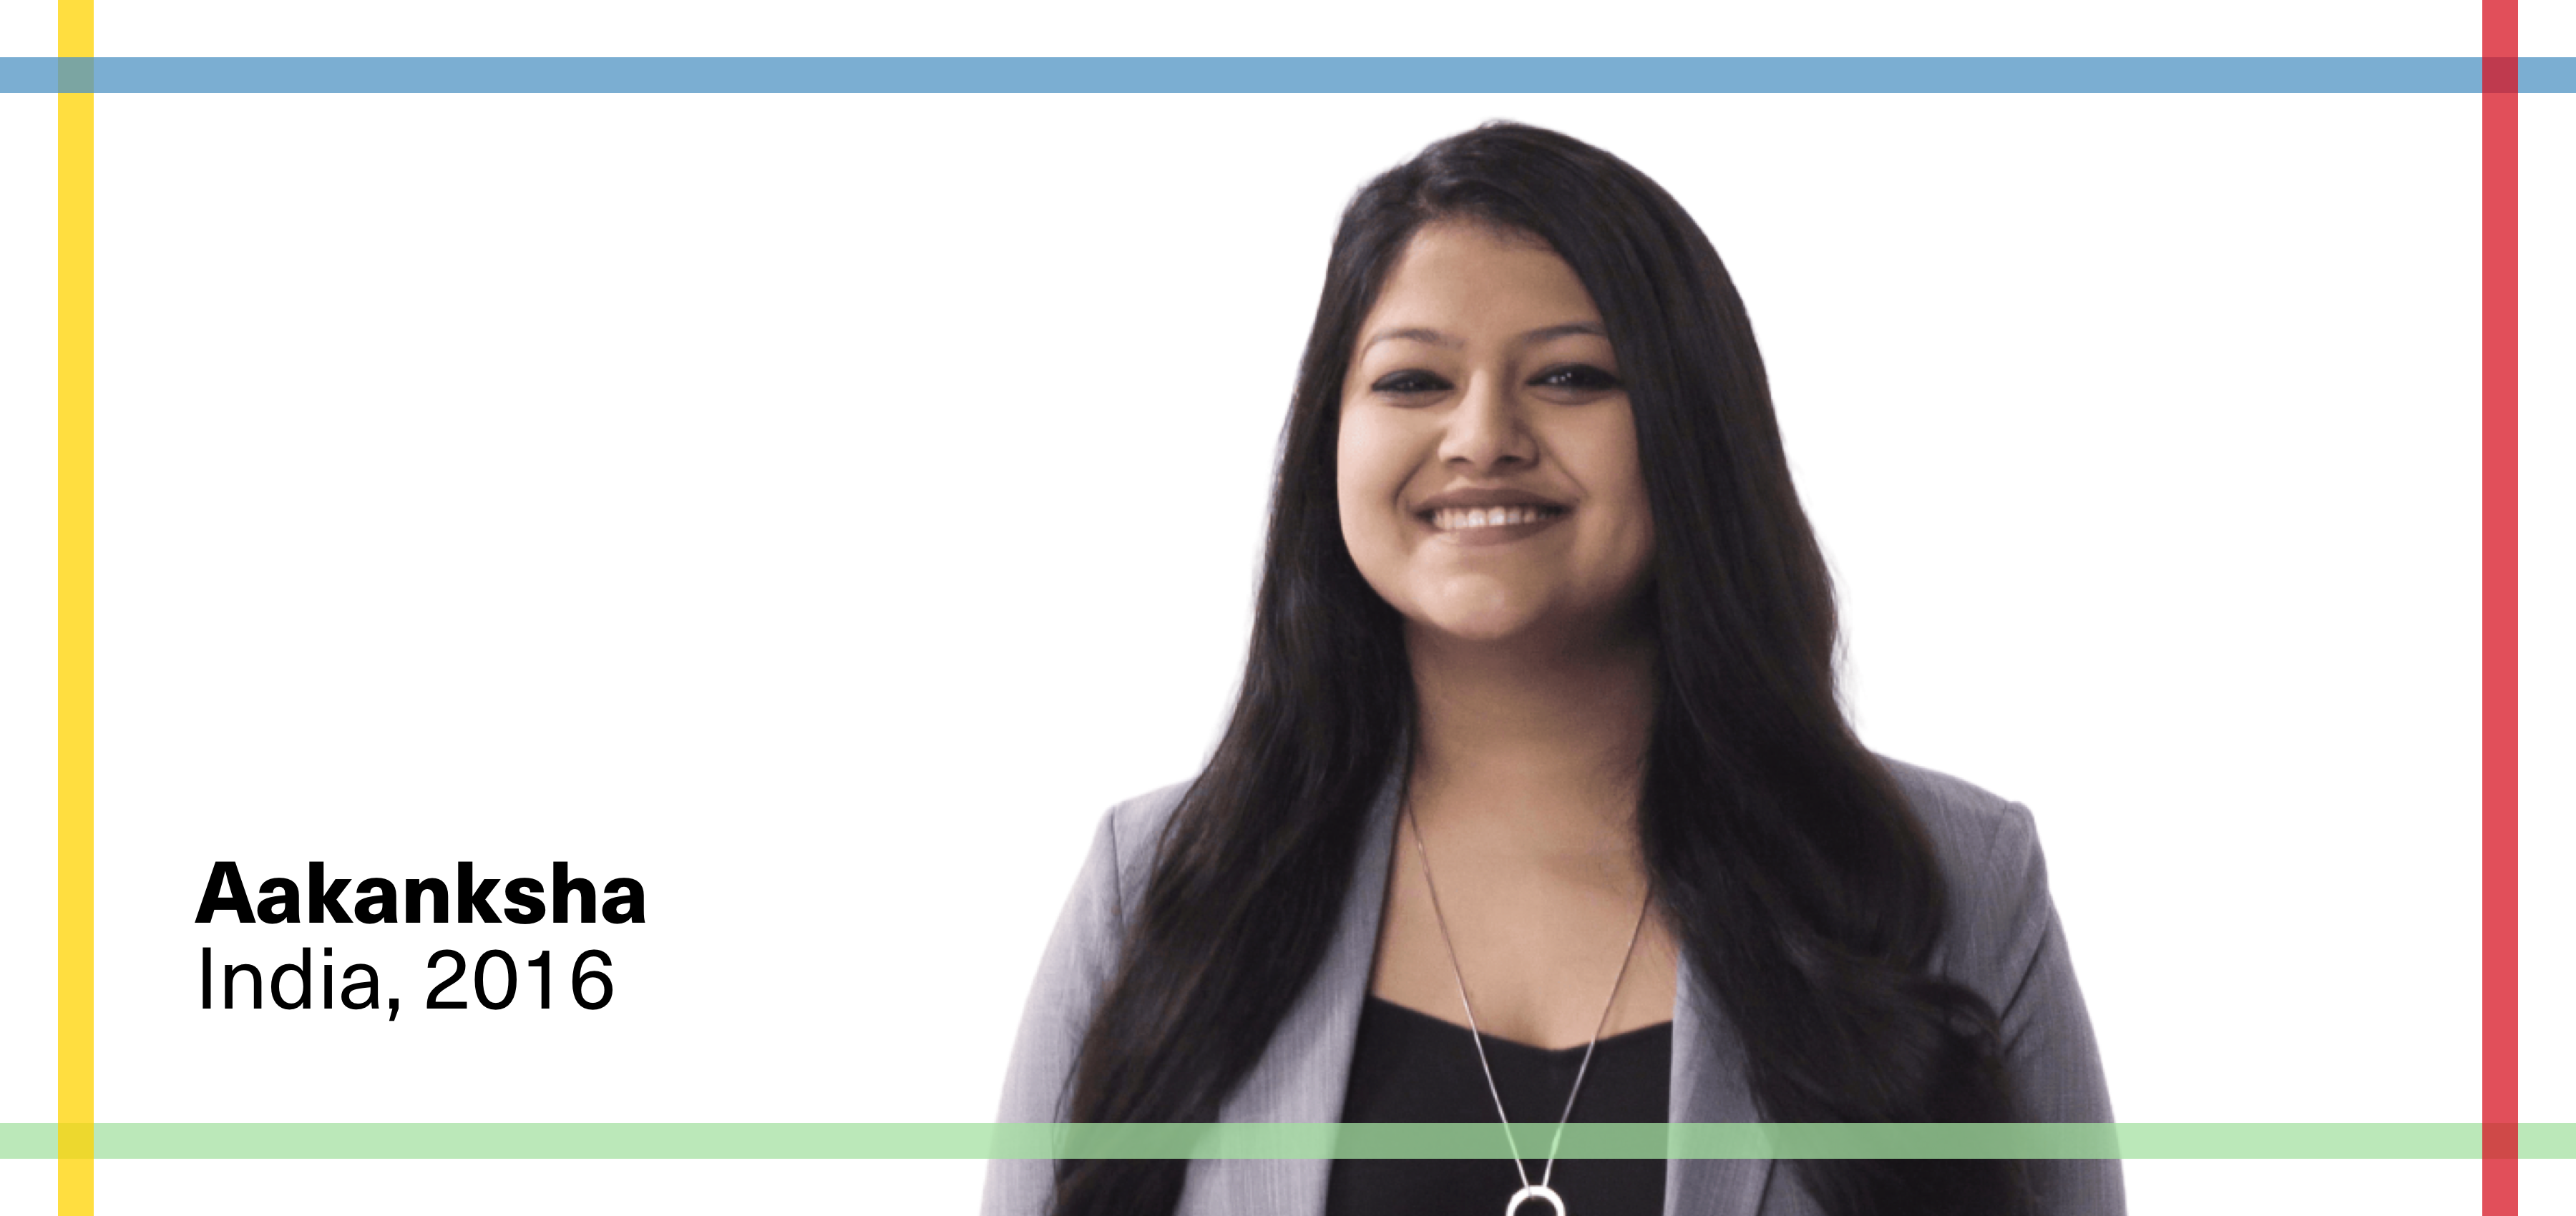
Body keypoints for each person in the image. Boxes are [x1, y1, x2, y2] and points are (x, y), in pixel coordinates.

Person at [982, 121, 2121, 1216]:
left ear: (1690, 427)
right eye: (1413, 382)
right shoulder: (1160, 889)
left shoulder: (1952, 880)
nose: (1482, 436)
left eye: (1571, 378)